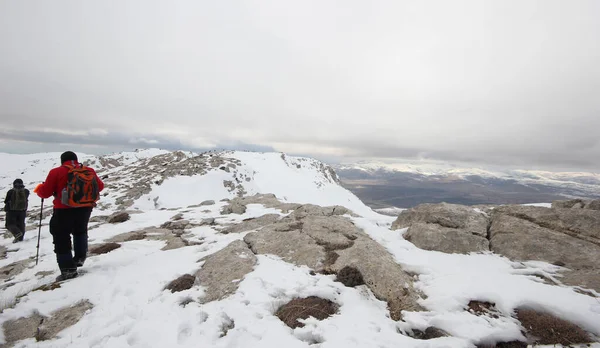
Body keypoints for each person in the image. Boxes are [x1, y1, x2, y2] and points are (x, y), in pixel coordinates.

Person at [34, 151, 105, 280]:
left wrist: (39, 188)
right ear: (76, 160)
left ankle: (68, 270)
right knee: (80, 231)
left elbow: (45, 193)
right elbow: (100, 186)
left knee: (61, 236)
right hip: (85, 208)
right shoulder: (89, 171)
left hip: (63, 209)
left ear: (62, 161)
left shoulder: (56, 172)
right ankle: (80, 257)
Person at [3, 179, 29, 243]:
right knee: (21, 223)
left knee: (9, 224)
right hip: (22, 210)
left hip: (12, 211)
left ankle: (17, 233)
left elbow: (6, 201)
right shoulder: (26, 191)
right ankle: (20, 238)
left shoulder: (11, 192)